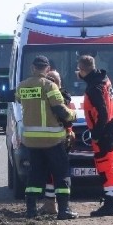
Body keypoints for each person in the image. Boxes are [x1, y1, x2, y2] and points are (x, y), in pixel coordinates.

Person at [17, 55, 78, 220]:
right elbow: (61, 110)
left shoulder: (22, 86)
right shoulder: (50, 85)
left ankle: (31, 210)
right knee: (61, 174)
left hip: (31, 141)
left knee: (35, 175)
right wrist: (73, 115)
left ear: (32, 68)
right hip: (52, 140)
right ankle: (64, 210)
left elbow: (15, 98)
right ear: (47, 69)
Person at [77, 55, 113, 217]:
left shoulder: (93, 88)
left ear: (82, 69)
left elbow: (102, 113)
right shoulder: (103, 78)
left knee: (105, 165)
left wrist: (95, 134)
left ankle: (110, 203)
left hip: (104, 132)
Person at [38, 69, 75, 216]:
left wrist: (69, 131)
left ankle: (63, 207)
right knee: (48, 174)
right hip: (45, 141)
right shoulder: (43, 96)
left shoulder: (63, 97)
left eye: (55, 79)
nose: (52, 81)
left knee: (60, 174)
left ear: (60, 83)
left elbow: (67, 117)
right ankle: (49, 204)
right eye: (49, 79)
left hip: (60, 140)